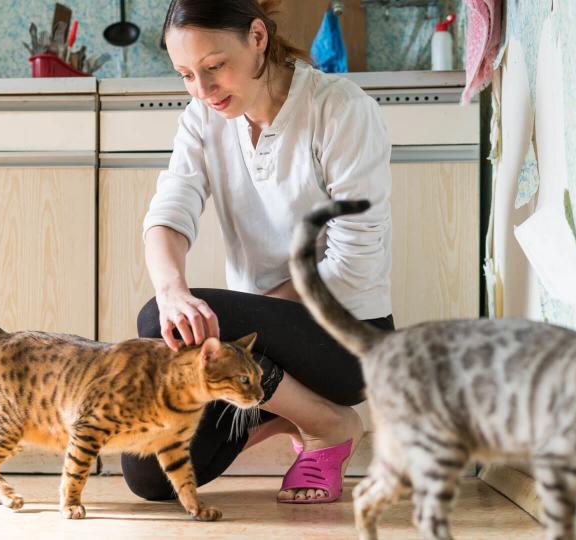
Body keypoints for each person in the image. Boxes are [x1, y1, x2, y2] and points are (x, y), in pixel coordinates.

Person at [121, 0, 394, 504]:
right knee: (150, 472)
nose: (202, 91)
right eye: (185, 75)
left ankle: (328, 423)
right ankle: (301, 411)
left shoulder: (339, 108)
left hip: (346, 341)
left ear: (258, 38)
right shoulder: (203, 120)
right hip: (255, 350)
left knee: (154, 319)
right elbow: (169, 213)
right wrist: (172, 290)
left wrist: (247, 323)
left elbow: (353, 263)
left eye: (214, 67)